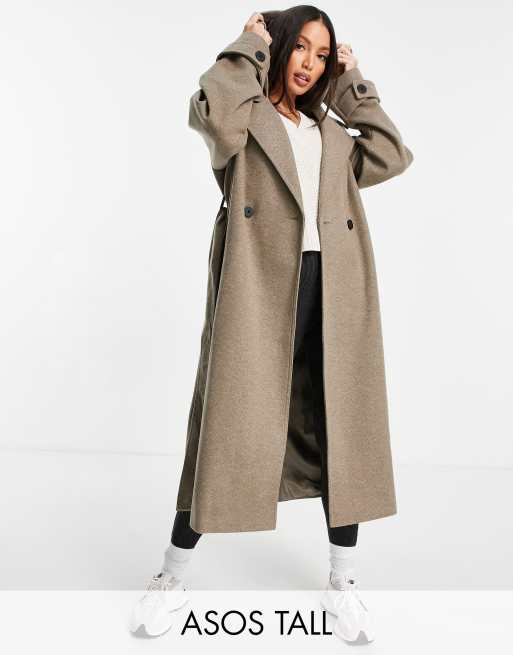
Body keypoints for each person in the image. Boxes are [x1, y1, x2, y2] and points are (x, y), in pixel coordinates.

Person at [130, 6, 412, 643]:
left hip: (334, 291)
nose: (310, 63)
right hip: (259, 290)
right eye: (301, 48)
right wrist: (248, 45)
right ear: (280, 49)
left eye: (323, 54)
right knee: (224, 428)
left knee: (341, 429)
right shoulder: (246, 118)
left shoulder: (333, 135)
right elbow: (211, 113)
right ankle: (171, 575)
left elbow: (393, 153)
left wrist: (352, 84)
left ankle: (342, 582)